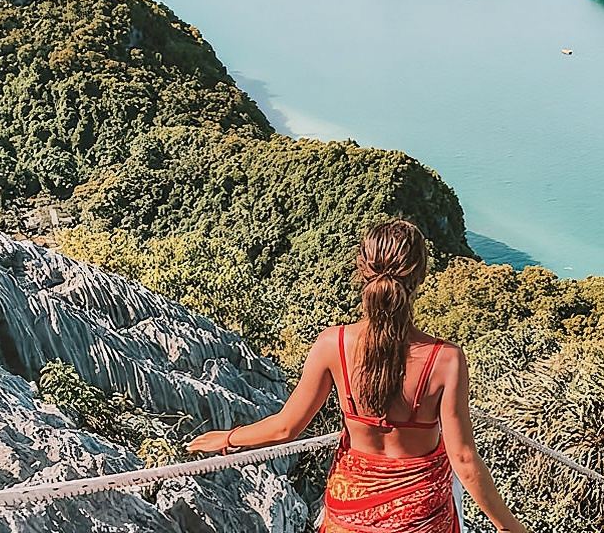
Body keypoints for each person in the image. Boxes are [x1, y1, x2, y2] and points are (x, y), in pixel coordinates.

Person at [189, 220, 528, 533]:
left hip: (351, 510)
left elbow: (285, 427)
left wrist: (230, 438)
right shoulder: (446, 359)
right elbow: (464, 460)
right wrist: (510, 527)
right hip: (422, 514)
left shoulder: (332, 344)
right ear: (420, 276)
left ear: (362, 270)